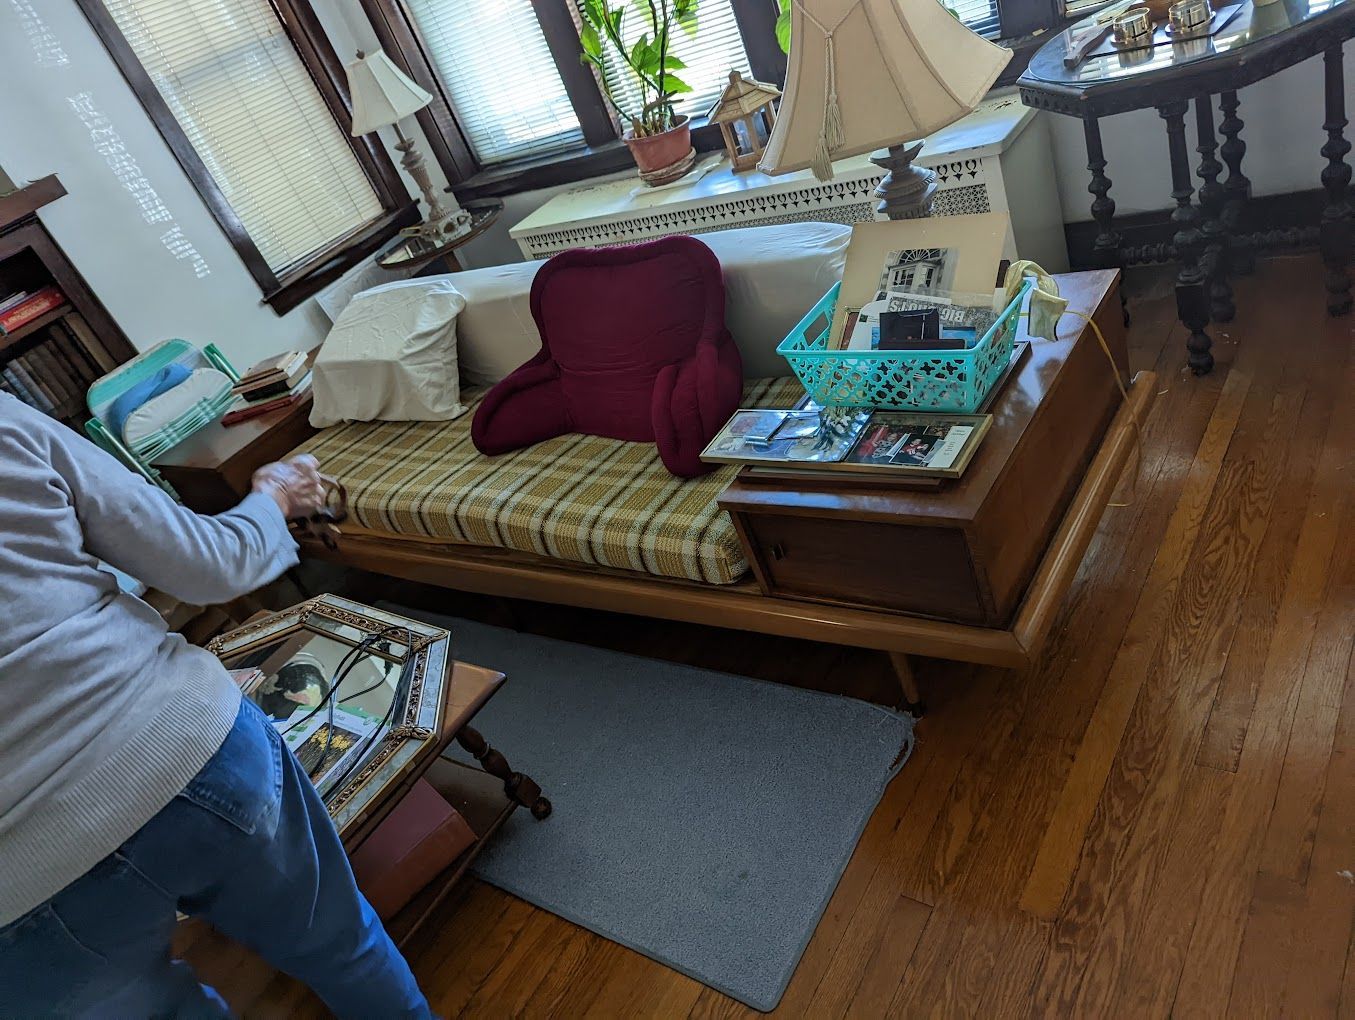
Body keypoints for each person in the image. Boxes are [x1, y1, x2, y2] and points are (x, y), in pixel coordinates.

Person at [0, 392, 431, 1018]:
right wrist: (275, 494)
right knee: (341, 946)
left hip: (21, 882)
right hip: (182, 747)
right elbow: (209, 565)